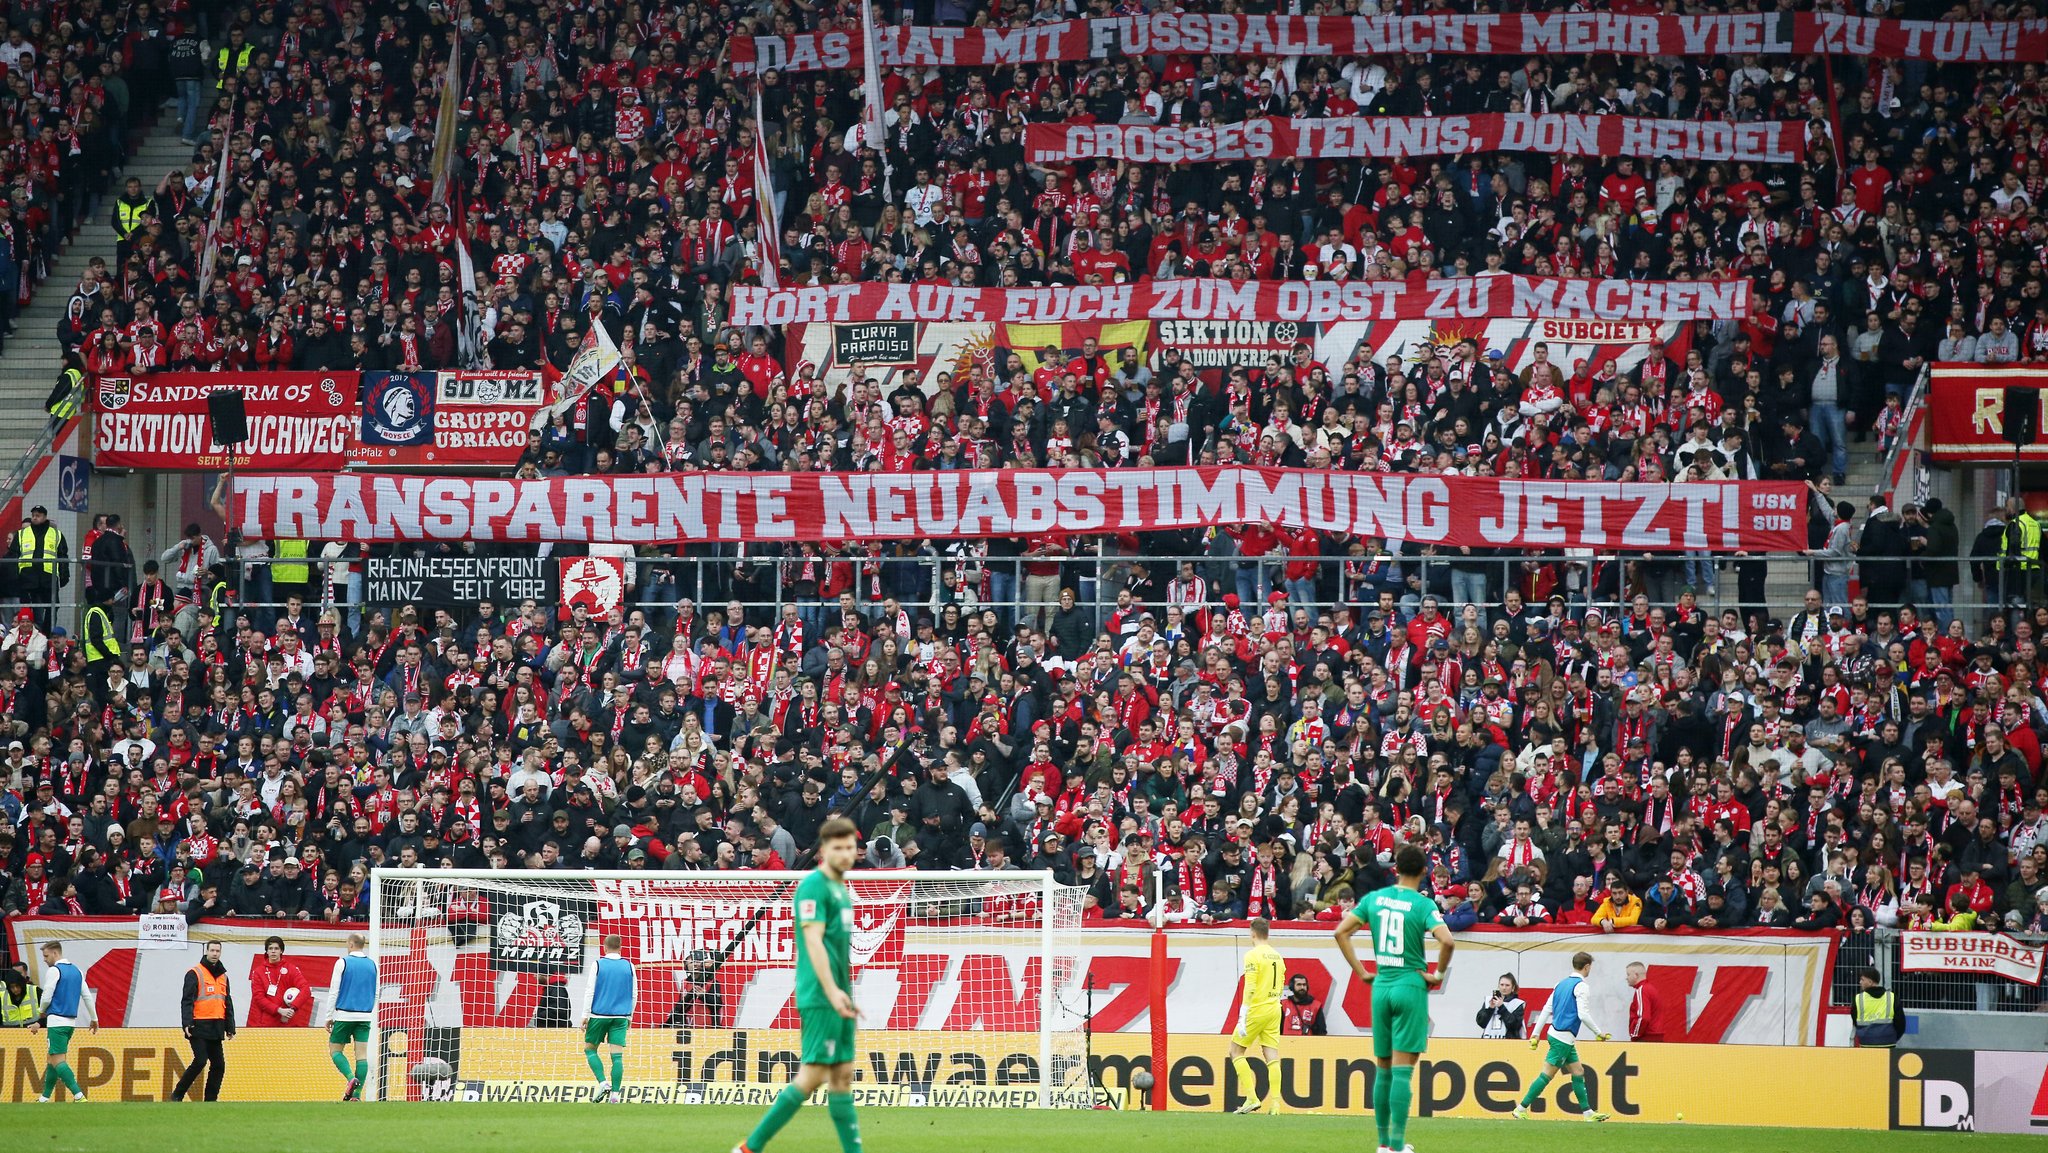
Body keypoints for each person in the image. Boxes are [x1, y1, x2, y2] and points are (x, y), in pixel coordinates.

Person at [734, 817, 863, 1153]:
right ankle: (749, 1148)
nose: (845, 853)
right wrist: (833, 991)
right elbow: (813, 941)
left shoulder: (841, 890)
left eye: (850, 846)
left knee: (842, 1076)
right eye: (838, 847)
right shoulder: (813, 887)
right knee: (813, 1075)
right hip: (821, 995)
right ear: (824, 850)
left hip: (838, 993)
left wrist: (844, 992)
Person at [1334, 843, 1455, 1153]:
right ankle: (1399, 1145)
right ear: (1425, 872)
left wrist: (1361, 971)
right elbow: (1447, 941)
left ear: (1395, 869)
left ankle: (1384, 1144)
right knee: (1404, 1070)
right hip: (1410, 985)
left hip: (1382, 986)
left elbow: (1340, 932)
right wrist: (1437, 975)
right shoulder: (1423, 904)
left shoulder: (1374, 899)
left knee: (1383, 1067)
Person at [1513, 951, 1611, 1122]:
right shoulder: (1582, 986)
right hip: (1563, 1039)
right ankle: (1520, 1108)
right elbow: (1583, 1014)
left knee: (1578, 1071)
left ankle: (1588, 1113)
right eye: (1590, 967)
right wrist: (1598, 1032)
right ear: (1587, 967)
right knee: (1547, 1074)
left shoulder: (1560, 984)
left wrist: (1536, 1033)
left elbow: (1546, 1009)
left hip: (1557, 1035)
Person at [1227, 916, 1285, 1114]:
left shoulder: (1253, 955)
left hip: (1257, 1009)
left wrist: (1243, 1013)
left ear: (1252, 932)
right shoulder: (1277, 956)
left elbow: (1250, 986)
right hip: (1275, 1008)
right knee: (1272, 1056)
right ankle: (1276, 1105)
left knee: (1235, 1051)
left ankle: (1252, 1097)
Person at [28, 939, 96, 1101]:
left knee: (58, 1060)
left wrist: (41, 1011)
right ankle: (45, 1097)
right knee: (51, 1059)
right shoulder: (77, 971)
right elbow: (86, 996)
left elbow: (47, 995)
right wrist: (94, 1018)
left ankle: (79, 1095)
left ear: (55, 953)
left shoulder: (54, 970)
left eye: (46, 956)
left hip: (56, 1022)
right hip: (70, 1024)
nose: (44, 959)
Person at [170, 939, 236, 1101]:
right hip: (198, 1025)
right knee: (200, 1061)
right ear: (206, 952)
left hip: (216, 1026)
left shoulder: (223, 976)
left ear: (220, 953)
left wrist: (230, 1026)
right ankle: (177, 1094)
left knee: (219, 1065)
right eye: (212, 950)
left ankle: (210, 1100)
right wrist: (186, 1023)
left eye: (217, 951)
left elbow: (227, 1002)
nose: (214, 954)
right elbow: (187, 1000)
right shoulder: (195, 973)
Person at [320, 932, 377, 1100]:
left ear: (351, 944)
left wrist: (329, 1016)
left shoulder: (342, 962)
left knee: (335, 1050)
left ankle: (351, 1079)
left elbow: (334, 991)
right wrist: (368, 1011)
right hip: (365, 1016)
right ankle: (357, 1095)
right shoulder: (373, 964)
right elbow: (375, 994)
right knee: (361, 1055)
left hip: (344, 1014)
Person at [583, 932, 635, 1102]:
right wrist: (630, 1016)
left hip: (599, 1014)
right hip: (621, 1016)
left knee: (590, 1049)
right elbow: (634, 993)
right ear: (620, 948)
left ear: (604, 947)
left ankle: (603, 1082)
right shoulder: (629, 966)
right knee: (617, 1056)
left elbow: (590, 990)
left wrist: (585, 1014)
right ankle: (615, 1095)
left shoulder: (598, 964)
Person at [247, 935, 312, 1028]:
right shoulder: (258, 972)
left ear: (281, 951)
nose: (273, 951)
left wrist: (292, 1008)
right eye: (270, 948)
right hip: (266, 1023)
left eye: (276, 948)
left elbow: (306, 989)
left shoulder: (291, 969)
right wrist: (279, 1010)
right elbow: (259, 998)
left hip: (288, 1022)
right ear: (267, 951)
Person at [1849, 967, 1904, 1048]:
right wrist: (1891, 1038)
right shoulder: (1892, 997)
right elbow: (1901, 1023)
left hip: (1866, 1044)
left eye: (1862, 979)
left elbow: (1855, 1020)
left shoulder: (1858, 999)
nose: (1860, 982)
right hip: (1888, 1044)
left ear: (1870, 982)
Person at [1476, 973, 1526, 1040]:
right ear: (1498, 986)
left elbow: (1514, 1026)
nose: (1504, 988)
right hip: (1488, 1041)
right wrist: (1490, 1009)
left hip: (1508, 1043)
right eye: (1502, 985)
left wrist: (1501, 1007)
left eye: (1507, 985)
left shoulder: (1517, 1003)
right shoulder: (1489, 1000)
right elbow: (1481, 1023)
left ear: (1513, 987)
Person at [1624, 962, 1664, 1042]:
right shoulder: (1650, 989)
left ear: (1636, 975)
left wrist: (1635, 1035)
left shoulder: (1642, 990)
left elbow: (1643, 1017)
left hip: (1646, 1038)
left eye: (1628, 975)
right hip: (1656, 1036)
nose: (1626, 978)